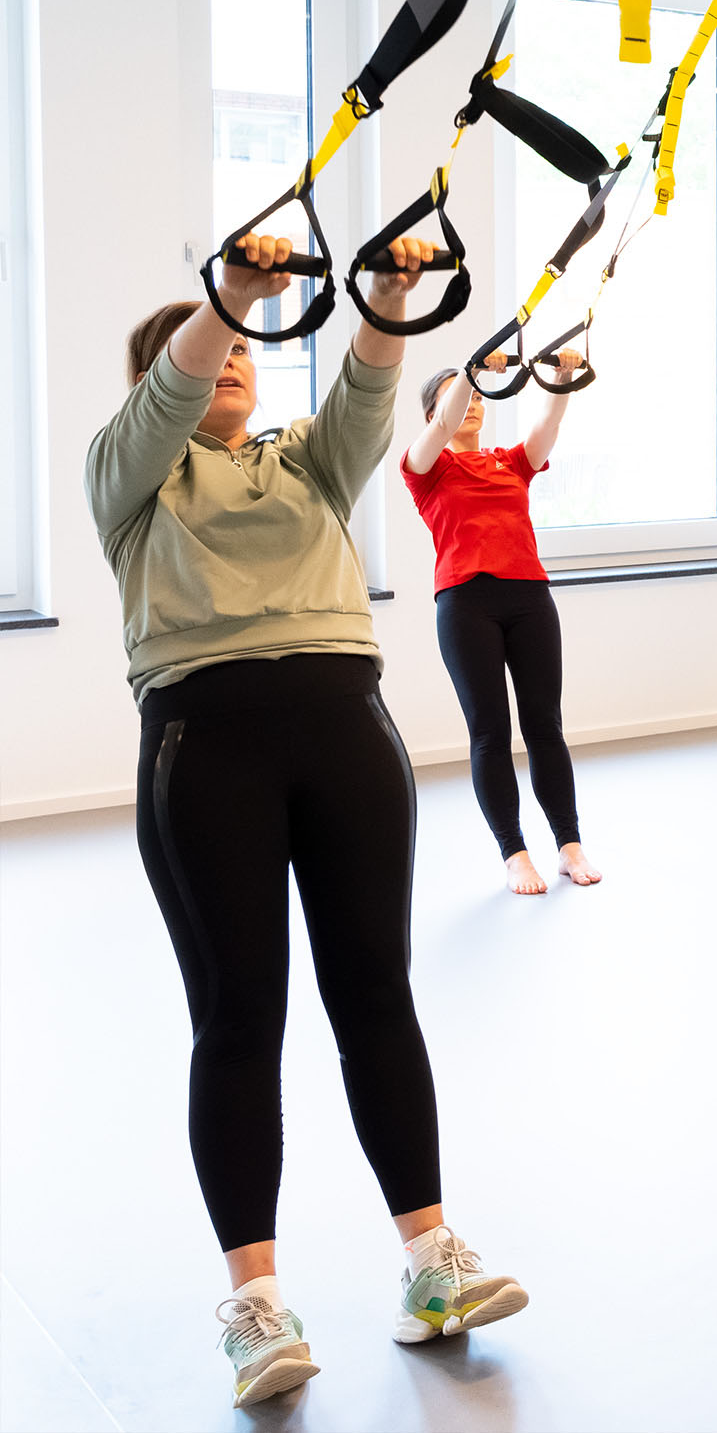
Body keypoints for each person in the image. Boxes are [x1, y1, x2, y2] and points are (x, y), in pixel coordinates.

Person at [87, 236, 527, 1408]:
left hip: (347, 732)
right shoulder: (128, 471)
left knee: (377, 992)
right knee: (240, 1018)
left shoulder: (306, 464)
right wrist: (229, 296)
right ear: (163, 380)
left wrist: (386, 295)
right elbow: (177, 378)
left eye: (242, 350)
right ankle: (255, 1307)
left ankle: (431, 1262)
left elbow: (372, 384)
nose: (229, 359)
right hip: (203, 747)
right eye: (209, 350)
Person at [403, 350, 603, 894]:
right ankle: (514, 853)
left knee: (546, 727)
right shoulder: (425, 467)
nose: (465, 406)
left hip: (529, 597)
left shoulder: (509, 462)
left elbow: (548, 422)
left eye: (468, 396)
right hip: (465, 606)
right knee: (490, 733)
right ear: (432, 414)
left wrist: (561, 378)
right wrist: (469, 375)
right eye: (450, 396)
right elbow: (447, 421)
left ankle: (569, 844)